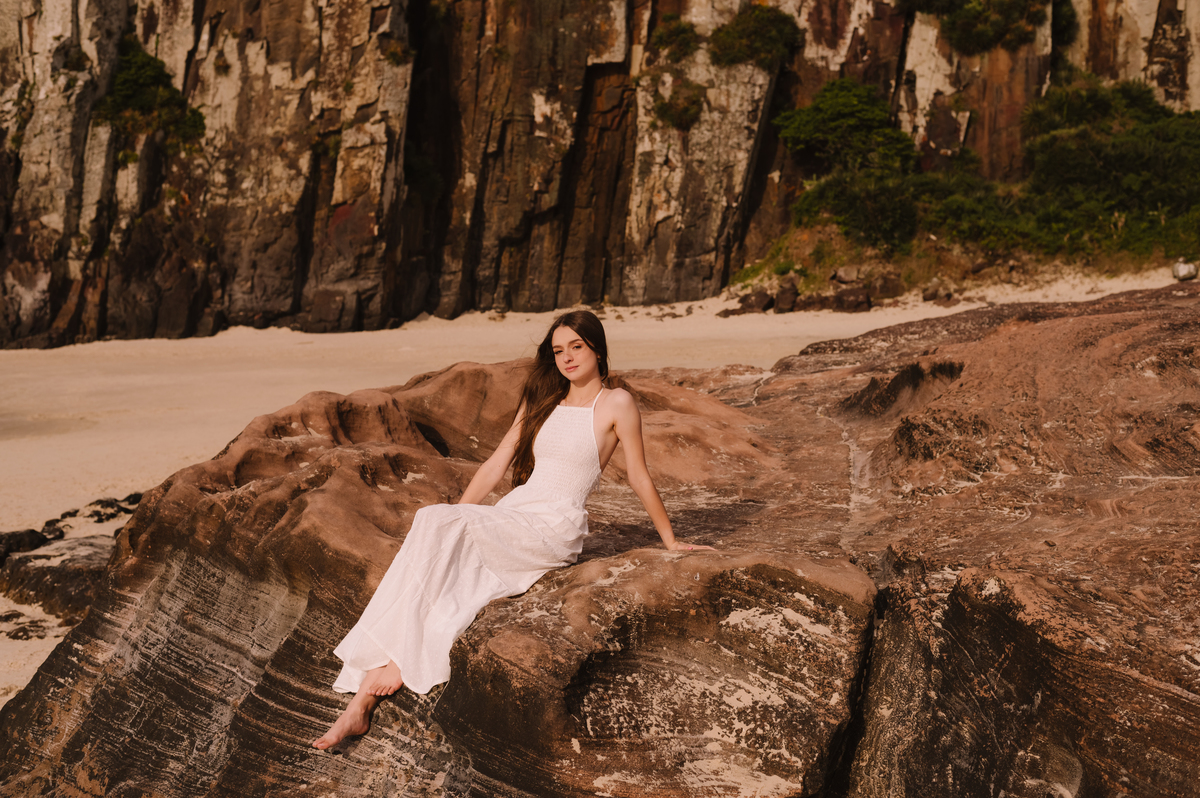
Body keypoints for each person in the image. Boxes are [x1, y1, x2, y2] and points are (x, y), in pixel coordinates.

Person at [313, 310, 710, 750]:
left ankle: (386, 669)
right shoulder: (544, 397)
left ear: (597, 348)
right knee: (433, 523)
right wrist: (452, 523)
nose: (567, 358)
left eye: (576, 347)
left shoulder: (616, 404)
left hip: (555, 526)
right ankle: (363, 702)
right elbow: (497, 462)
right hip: (518, 509)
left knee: (439, 528)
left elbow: (637, 474)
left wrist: (669, 540)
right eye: (558, 351)